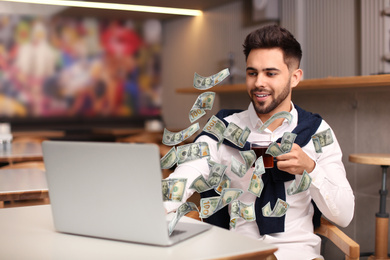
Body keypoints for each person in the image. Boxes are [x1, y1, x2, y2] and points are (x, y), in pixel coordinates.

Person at [164, 25, 354, 260]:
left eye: (270, 73)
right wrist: (153, 209)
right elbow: (186, 174)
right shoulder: (222, 128)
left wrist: (310, 169)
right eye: (252, 73)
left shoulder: (318, 133)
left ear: (295, 78)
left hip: (297, 254)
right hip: (239, 251)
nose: (258, 83)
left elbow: (344, 214)